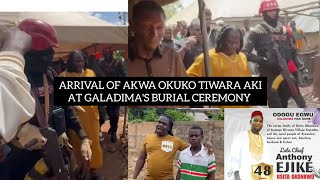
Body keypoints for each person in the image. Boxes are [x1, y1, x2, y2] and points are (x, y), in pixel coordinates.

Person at [0, 19, 92, 180]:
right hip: (20, 156)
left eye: (49, 52)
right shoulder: (9, 79)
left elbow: (67, 107)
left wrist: (83, 138)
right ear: (25, 52)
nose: (47, 58)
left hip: (54, 149)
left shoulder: (50, 74)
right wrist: (18, 132)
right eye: (41, 54)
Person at [243, 0, 306, 108]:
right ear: (263, 13)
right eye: (269, 11)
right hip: (268, 74)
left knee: (287, 101)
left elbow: (293, 52)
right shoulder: (257, 31)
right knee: (275, 104)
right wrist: (263, 60)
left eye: (274, 10)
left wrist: (302, 68)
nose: (272, 13)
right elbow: (245, 53)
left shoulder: (285, 30)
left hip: (285, 72)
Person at [59, 50, 104, 178]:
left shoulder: (91, 73)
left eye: (81, 60)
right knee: (78, 145)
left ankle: (92, 170)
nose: (80, 63)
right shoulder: (63, 77)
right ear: (70, 62)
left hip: (92, 117)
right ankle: (81, 170)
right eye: (76, 61)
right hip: (76, 120)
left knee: (94, 145)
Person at [132, 115, 213, 180]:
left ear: (169, 127)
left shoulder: (175, 141)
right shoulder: (148, 138)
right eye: (159, 122)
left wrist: (206, 143)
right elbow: (141, 159)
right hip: (149, 178)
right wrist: (134, 177)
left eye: (164, 123)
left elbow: (193, 147)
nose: (160, 124)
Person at [128, 0, 186, 77]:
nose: (154, 34)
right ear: (132, 25)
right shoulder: (117, 61)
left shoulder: (172, 56)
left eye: (159, 27)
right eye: (146, 27)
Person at [187, 26, 252, 77]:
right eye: (230, 42)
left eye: (237, 43)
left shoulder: (242, 57)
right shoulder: (207, 57)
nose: (234, 45)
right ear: (222, 40)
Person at [227, 111, 270, 180]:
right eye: (255, 120)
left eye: (260, 121)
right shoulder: (241, 136)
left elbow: (267, 161)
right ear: (250, 122)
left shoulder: (264, 140)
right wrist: (237, 176)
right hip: (242, 176)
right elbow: (234, 157)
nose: (258, 123)